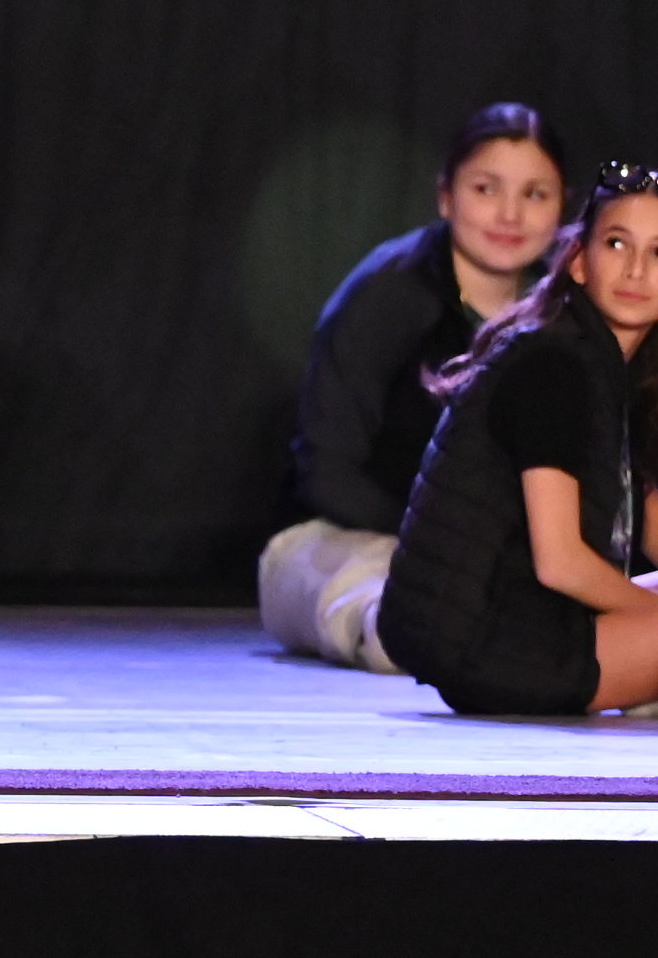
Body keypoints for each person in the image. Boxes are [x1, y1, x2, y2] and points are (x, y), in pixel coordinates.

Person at [261, 104, 568, 670]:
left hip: (491, 561)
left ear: (562, 206)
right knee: (411, 629)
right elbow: (325, 468)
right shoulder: (388, 293)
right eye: (486, 189)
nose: (510, 214)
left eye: (535, 194)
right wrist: (441, 540)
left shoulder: (566, 310)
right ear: (446, 196)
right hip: (349, 542)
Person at [379, 163, 658, 715]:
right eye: (616, 243)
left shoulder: (618, 374)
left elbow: (650, 529)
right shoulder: (553, 365)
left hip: (524, 621)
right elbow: (559, 561)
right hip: (488, 641)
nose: (636, 270)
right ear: (578, 262)